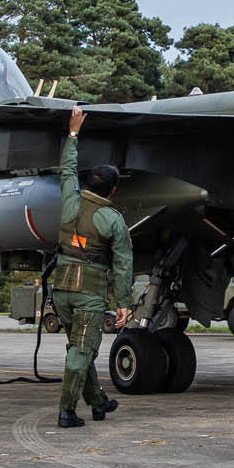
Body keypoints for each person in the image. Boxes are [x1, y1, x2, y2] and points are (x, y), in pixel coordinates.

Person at [49, 108, 133, 428]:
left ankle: (98, 401)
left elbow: (67, 169)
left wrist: (73, 134)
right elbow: (123, 265)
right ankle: (66, 411)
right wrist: (123, 303)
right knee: (82, 351)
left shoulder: (71, 200)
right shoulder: (113, 220)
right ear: (112, 190)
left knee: (79, 346)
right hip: (88, 293)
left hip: (62, 289)